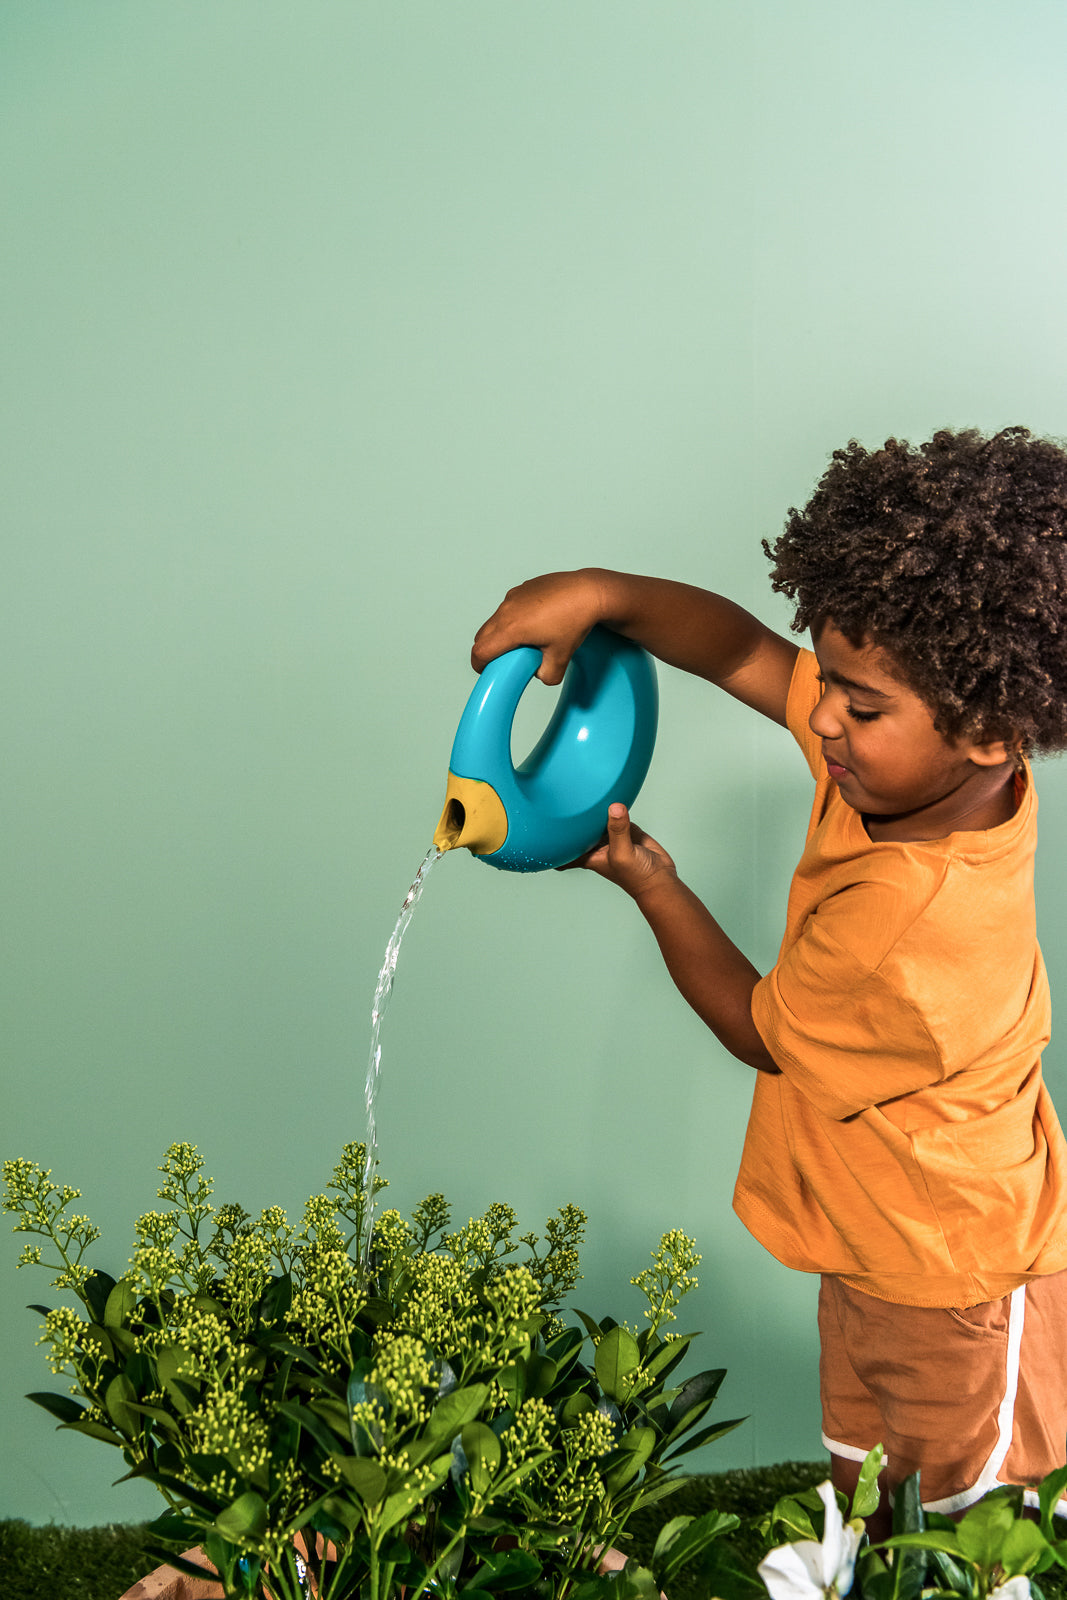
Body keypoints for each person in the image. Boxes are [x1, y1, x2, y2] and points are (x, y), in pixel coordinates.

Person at [471, 427, 1067, 1535]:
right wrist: (604, 592)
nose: (822, 717)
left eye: (858, 704)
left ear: (986, 727)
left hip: (955, 1267)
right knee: (865, 1469)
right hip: (876, 1223)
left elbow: (757, 1028)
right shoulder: (927, 767)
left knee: (964, 1518)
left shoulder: (909, 922)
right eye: (830, 683)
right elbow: (745, 650)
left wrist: (651, 882)